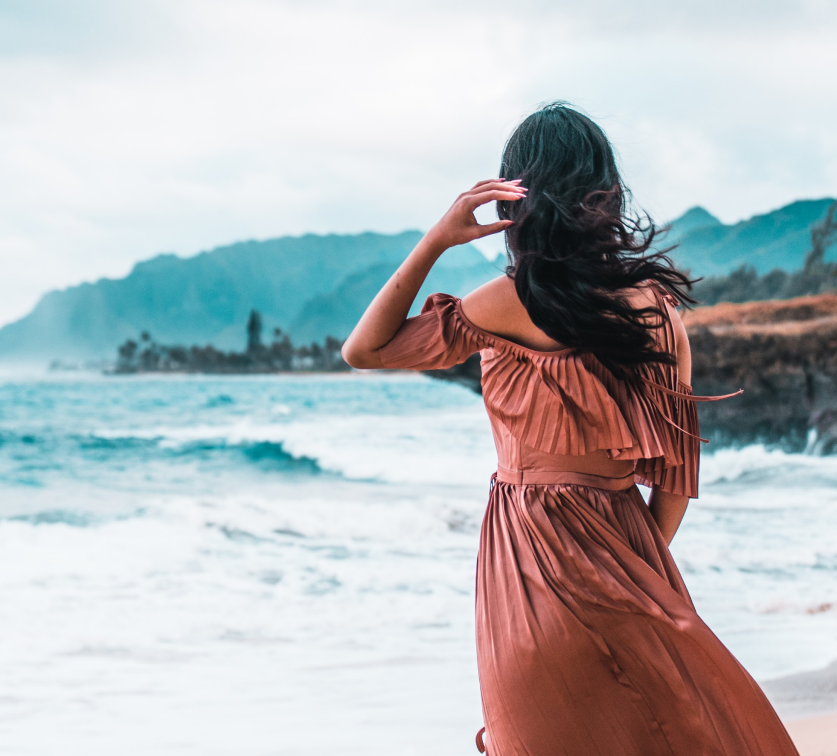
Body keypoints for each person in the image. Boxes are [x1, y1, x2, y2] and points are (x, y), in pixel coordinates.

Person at [342, 103, 799, 756]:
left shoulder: (502, 302)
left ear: (517, 204)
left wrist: (438, 239)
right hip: (630, 566)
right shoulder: (658, 314)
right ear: (604, 194)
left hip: (526, 573)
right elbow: (674, 483)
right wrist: (634, 571)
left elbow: (364, 350)